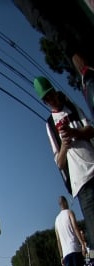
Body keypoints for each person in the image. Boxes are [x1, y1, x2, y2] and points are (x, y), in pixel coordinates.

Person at [34, 76, 94, 246]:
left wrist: (74, 132)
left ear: (55, 92)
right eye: (46, 99)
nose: (51, 100)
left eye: (51, 95)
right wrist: (64, 146)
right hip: (80, 182)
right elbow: (59, 163)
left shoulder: (72, 108)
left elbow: (91, 130)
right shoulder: (50, 124)